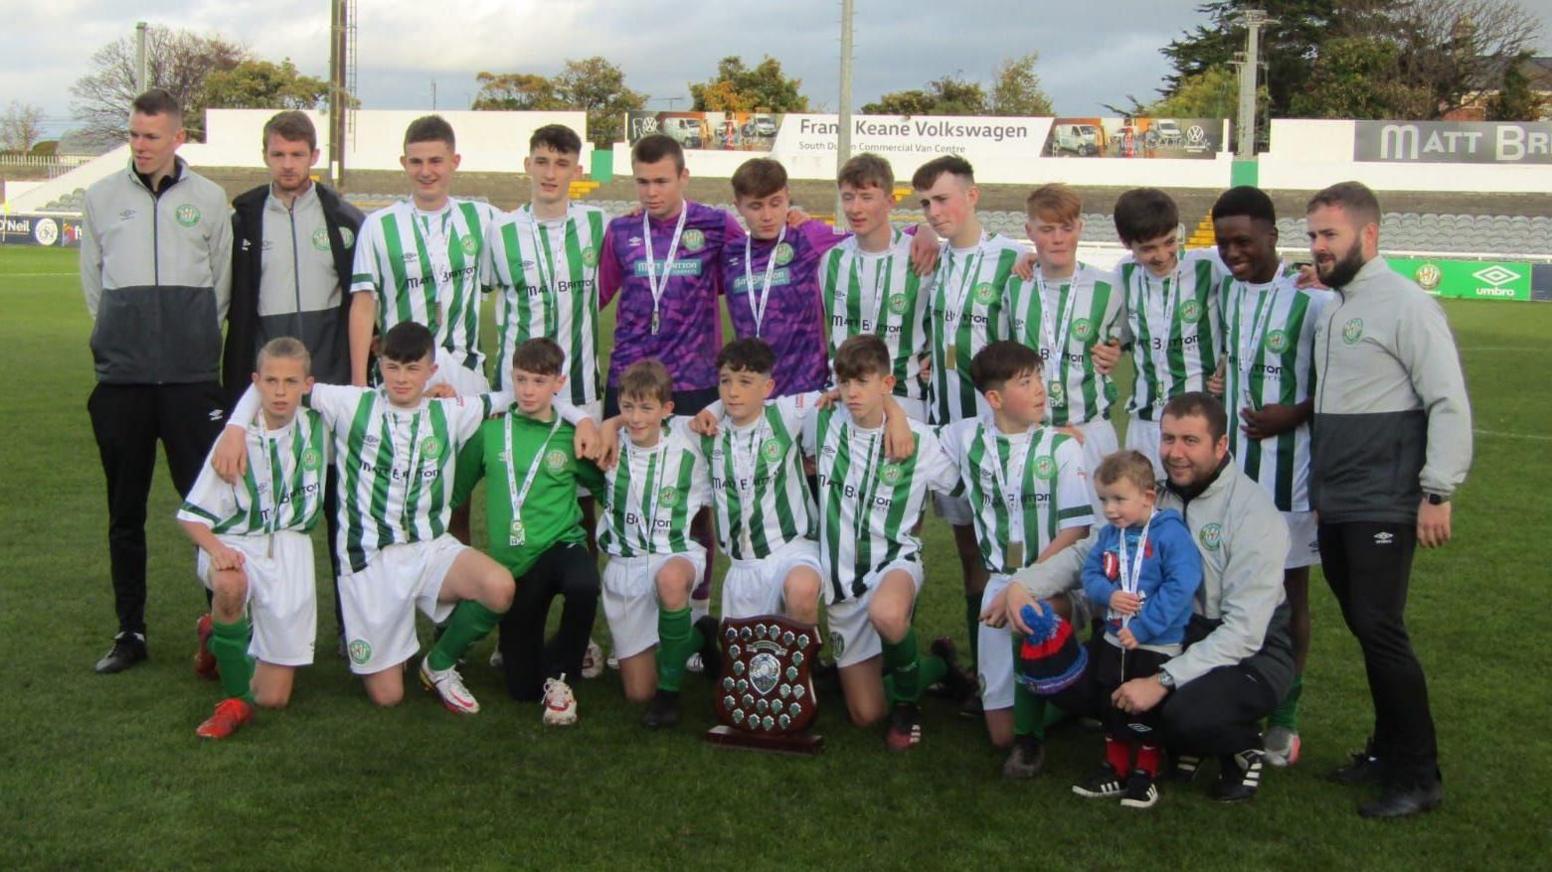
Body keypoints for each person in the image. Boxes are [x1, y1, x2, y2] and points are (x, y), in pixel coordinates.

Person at [992, 392, 1293, 804]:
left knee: (1181, 712)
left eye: (1190, 440)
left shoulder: (1253, 514)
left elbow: (1244, 631)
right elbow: (1090, 554)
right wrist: (1024, 585)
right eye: (1168, 439)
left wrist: (1162, 681)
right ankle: (1167, 744)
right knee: (1073, 680)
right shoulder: (1155, 496)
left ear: (1221, 446)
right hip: (1163, 633)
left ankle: (1240, 746)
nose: (1175, 453)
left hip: (1246, 651)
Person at [212, 322, 523, 714]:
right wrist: (235, 428)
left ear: (431, 372)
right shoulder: (350, 403)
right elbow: (274, 384)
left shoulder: (452, 411)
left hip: (429, 550)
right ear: (379, 362)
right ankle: (388, 646)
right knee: (388, 697)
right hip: (369, 562)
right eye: (393, 367)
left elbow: (520, 395)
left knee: (499, 586)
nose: (402, 378)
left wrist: (587, 421)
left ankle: (439, 665)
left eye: (413, 370)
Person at [1306, 181, 1472, 819]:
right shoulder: (1339, 305)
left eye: (1330, 235)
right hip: (1340, 499)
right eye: (1314, 235)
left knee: (1381, 629)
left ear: (1368, 236)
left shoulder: (1406, 304)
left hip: (1385, 498)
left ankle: (1419, 775)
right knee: (1365, 626)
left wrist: (1437, 490)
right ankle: (1385, 750)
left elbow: (1447, 400)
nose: (1318, 247)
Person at [80, 88, 233, 673]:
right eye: (134, 135)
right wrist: (122, 339)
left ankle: (218, 626)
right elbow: (94, 287)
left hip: (192, 383)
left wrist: (190, 340)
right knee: (125, 511)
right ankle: (130, 632)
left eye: (151, 136)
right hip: (123, 383)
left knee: (208, 507)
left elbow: (221, 284)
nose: (140, 146)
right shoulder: (101, 198)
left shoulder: (211, 200)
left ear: (177, 137)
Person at [224, 109, 364, 661]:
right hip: (270, 388)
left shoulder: (341, 214)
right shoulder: (243, 217)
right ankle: (264, 624)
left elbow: (360, 299)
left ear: (314, 157)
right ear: (266, 156)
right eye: (278, 154)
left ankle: (348, 624)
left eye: (297, 154)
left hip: (325, 383)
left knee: (337, 508)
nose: (288, 164)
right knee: (267, 509)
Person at [1208, 185, 1333, 768]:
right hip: (1232, 475)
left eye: (1244, 241)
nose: (1234, 252)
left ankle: (1286, 714)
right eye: (1224, 242)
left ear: (1272, 236)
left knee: (1289, 593)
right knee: (1227, 588)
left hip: (1292, 473)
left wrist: (1297, 412)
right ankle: (1233, 695)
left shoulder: (1315, 300)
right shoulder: (1225, 293)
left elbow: (1340, 383)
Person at [599, 133, 741, 621]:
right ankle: (632, 605)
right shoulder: (620, 231)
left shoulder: (716, 226)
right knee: (624, 492)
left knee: (697, 500)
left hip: (695, 381)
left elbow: (758, 263)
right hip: (630, 384)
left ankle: (698, 614)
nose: (651, 191)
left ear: (684, 176)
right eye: (642, 182)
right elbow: (593, 296)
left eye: (661, 180)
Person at [806, 336, 969, 749]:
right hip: (842, 585)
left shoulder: (919, 440)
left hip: (893, 563)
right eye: (844, 383)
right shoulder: (821, 419)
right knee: (865, 715)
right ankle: (937, 666)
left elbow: (963, 487)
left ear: (887, 382)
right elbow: (750, 402)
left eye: (862, 382)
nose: (852, 393)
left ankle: (909, 706)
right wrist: (611, 421)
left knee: (889, 614)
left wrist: (895, 412)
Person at [934, 341, 1091, 765]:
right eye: (1027, 382)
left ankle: (1032, 742)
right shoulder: (965, 437)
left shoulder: (1062, 447)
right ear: (995, 399)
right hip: (998, 584)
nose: (1041, 389)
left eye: (1039, 377)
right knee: (999, 734)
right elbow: (909, 436)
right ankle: (1079, 695)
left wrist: (1024, 586)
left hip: (1055, 583)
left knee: (1026, 614)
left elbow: (1078, 529)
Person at [177, 338, 329, 739]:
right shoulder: (235, 441)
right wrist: (218, 551)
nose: (280, 392)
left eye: (291, 381)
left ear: (308, 384)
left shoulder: (321, 425)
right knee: (229, 584)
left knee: (274, 698)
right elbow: (191, 517)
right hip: (238, 544)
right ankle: (233, 703)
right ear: (255, 383)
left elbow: (380, 404)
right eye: (272, 381)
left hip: (292, 549)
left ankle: (215, 639)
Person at [913, 155, 1026, 688]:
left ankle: (1029, 669)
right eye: (925, 204)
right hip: (947, 429)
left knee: (1011, 547)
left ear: (972, 196)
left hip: (998, 435)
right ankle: (985, 673)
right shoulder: (933, 261)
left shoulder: (1011, 261)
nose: (934, 213)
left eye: (942, 199)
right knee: (967, 550)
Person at [452, 337, 605, 724]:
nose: (528, 390)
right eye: (521, 380)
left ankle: (562, 677)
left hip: (561, 546)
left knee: (584, 583)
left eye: (539, 381)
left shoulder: (571, 438)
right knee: (520, 688)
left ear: (559, 382)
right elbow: (455, 494)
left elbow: (607, 488)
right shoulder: (489, 433)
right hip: (515, 566)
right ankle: (542, 657)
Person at [585, 359, 721, 728]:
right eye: (627, 407)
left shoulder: (689, 438)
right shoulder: (608, 446)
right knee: (636, 693)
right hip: (625, 567)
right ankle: (700, 636)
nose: (636, 417)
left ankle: (670, 695)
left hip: (675, 553)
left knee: (671, 581)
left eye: (647, 407)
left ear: (667, 410)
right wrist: (608, 424)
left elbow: (736, 407)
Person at [1071, 450, 1202, 809]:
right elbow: (1091, 575)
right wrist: (1108, 594)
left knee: (1146, 710)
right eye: (1103, 500)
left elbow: (1182, 584)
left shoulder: (1170, 534)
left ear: (1147, 496)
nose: (1110, 509)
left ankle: (1147, 771)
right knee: (1111, 702)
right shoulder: (1111, 534)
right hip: (1115, 638)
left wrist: (1144, 627)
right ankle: (1115, 766)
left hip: (1157, 644)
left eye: (1118, 499)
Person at [348, 115, 498, 395]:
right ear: (404, 163)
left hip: (465, 370)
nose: (425, 171)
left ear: (454, 162)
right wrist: (358, 386)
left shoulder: (484, 218)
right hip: (400, 372)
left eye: (435, 161)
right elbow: (364, 304)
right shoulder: (379, 225)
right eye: (416, 162)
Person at [1002, 183, 1124, 510]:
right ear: (1030, 231)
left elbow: (1128, 338)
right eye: (1047, 229)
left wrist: (1117, 349)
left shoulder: (1109, 287)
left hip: (1091, 431)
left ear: (1080, 229)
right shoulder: (1015, 287)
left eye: (1066, 228)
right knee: (1038, 538)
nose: (1058, 239)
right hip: (1032, 432)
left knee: (1100, 536)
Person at [1107, 188, 1227, 478]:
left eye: (1169, 242)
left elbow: (1260, 282)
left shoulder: (1209, 267)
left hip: (1199, 422)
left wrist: (1310, 278)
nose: (1161, 255)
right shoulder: (1123, 274)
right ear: (1127, 243)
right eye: (1148, 248)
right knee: (1143, 512)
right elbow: (1119, 337)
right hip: (1145, 420)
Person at [820, 153, 934, 422]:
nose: (855, 208)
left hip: (906, 398)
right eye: (848, 197)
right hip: (844, 398)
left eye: (866, 197)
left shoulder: (921, 256)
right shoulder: (831, 260)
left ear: (890, 202)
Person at [724, 157, 846, 397]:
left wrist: (922, 232)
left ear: (788, 197)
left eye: (776, 203)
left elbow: (872, 236)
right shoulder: (730, 252)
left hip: (806, 389)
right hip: (749, 390)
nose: (767, 215)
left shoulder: (808, 236)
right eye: (756, 206)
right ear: (737, 206)